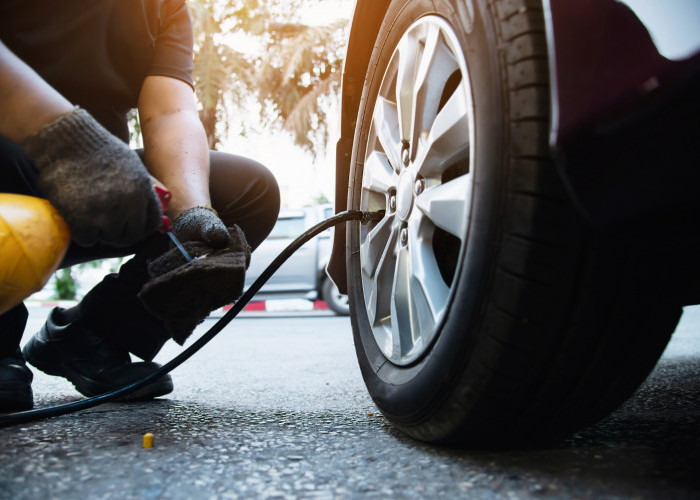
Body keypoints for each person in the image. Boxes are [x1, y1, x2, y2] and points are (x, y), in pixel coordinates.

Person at [0, 0, 280, 411]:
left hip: (98, 185)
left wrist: (193, 217)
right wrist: (66, 141)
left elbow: (169, 111)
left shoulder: (163, 7)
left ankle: (91, 336)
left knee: (247, 192)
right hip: (14, 167)